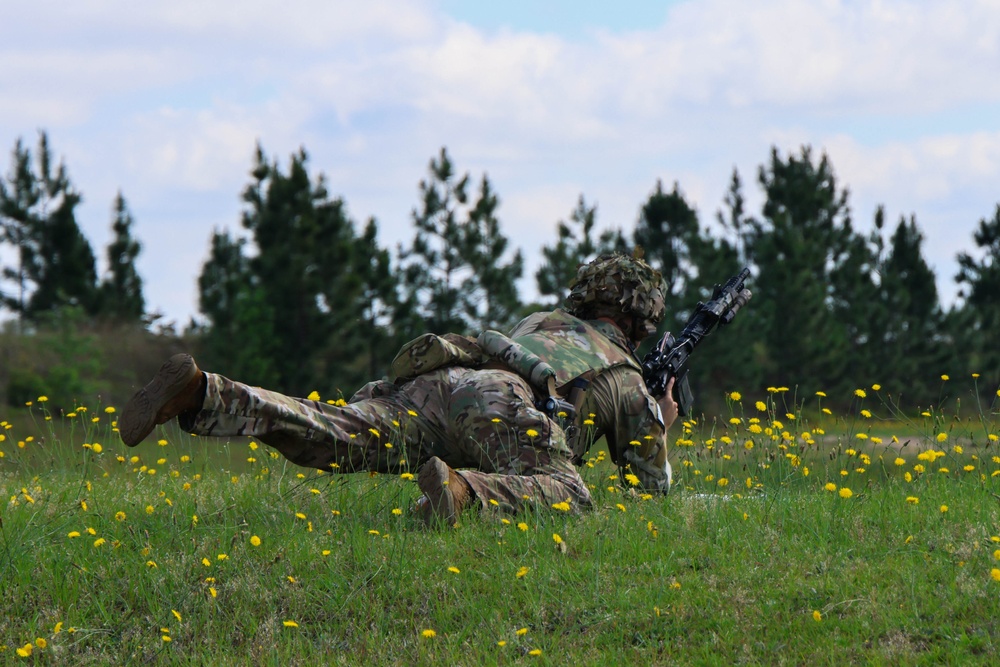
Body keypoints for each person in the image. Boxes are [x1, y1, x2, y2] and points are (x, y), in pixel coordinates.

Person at [119, 253, 679, 525]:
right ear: (641, 320)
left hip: (440, 383)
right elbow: (650, 490)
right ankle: (462, 492)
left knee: (335, 430)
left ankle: (203, 392)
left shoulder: (539, 324)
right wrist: (662, 419)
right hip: (504, 406)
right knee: (571, 495)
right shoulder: (626, 376)